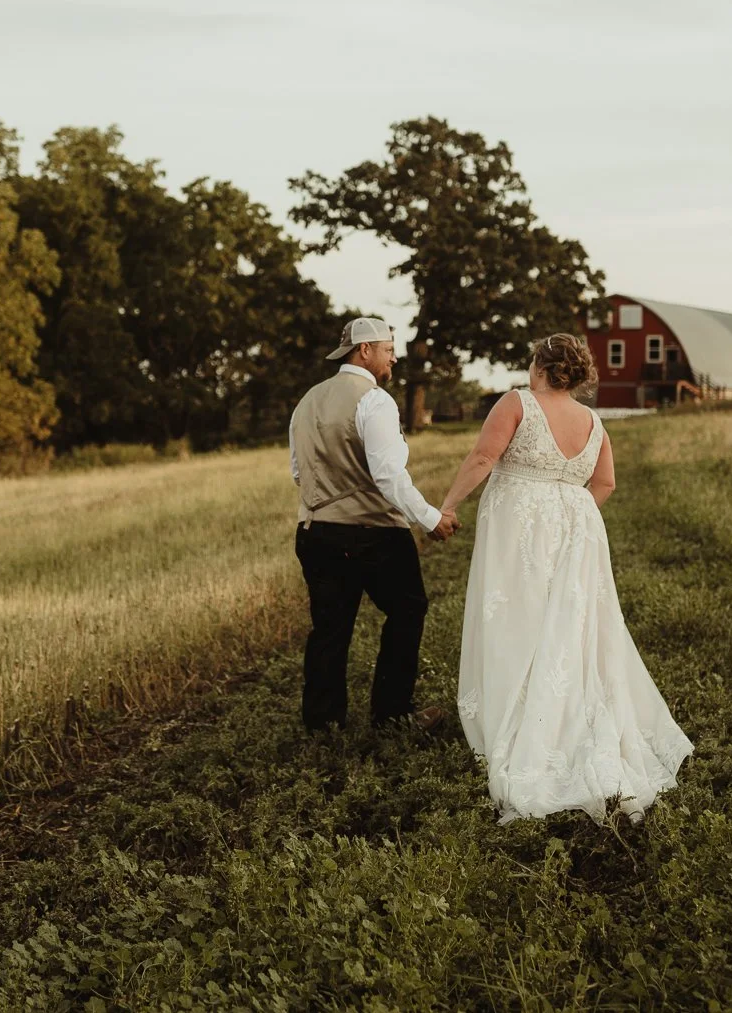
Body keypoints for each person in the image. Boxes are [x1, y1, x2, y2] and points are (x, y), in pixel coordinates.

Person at [438, 333, 693, 822]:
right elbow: (605, 483)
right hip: (575, 533)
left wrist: (448, 505)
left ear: (539, 365)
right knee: (568, 626)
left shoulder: (518, 402)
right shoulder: (594, 421)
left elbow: (483, 459)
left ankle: (515, 719)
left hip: (519, 530)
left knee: (518, 616)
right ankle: (564, 718)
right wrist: (568, 517)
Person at [289, 317, 458, 732]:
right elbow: (388, 474)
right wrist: (430, 518)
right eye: (388, 349)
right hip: (372, 535)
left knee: (330, 627)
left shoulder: (308, 399)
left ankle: (323, 727)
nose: (394, 357)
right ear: (364, 350)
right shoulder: (375, 400)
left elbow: (299, 472)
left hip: (314, 532)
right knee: (407, 609)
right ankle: (392, 715)